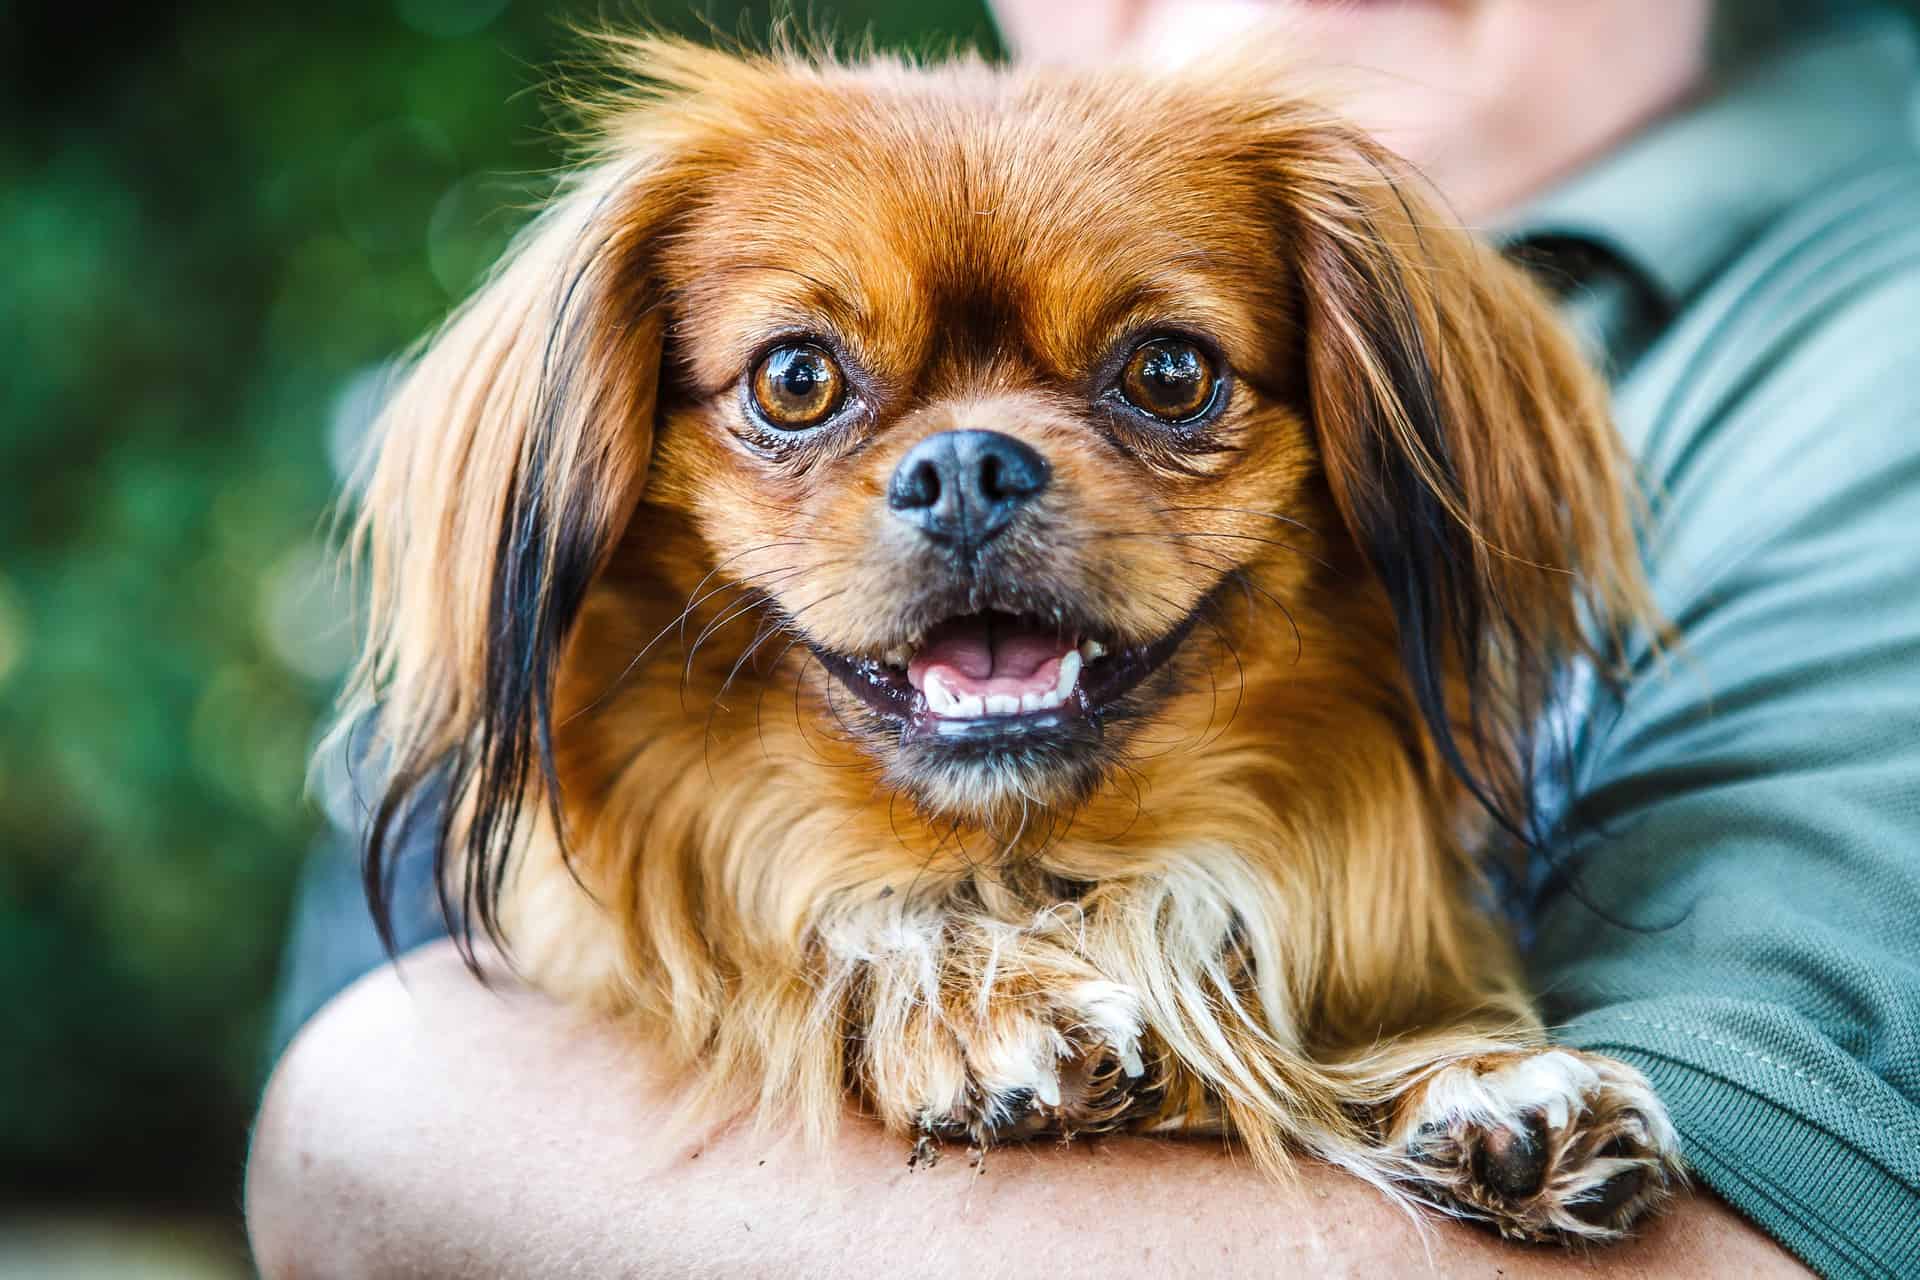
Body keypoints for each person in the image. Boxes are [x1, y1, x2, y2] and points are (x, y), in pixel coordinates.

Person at [246, 1, 1920, 1275]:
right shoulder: (534, 713)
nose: (967, 477)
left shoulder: (1869, 333)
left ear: (1398, 473)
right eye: (800, 387)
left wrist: (396, 1116)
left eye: (1167, 378)